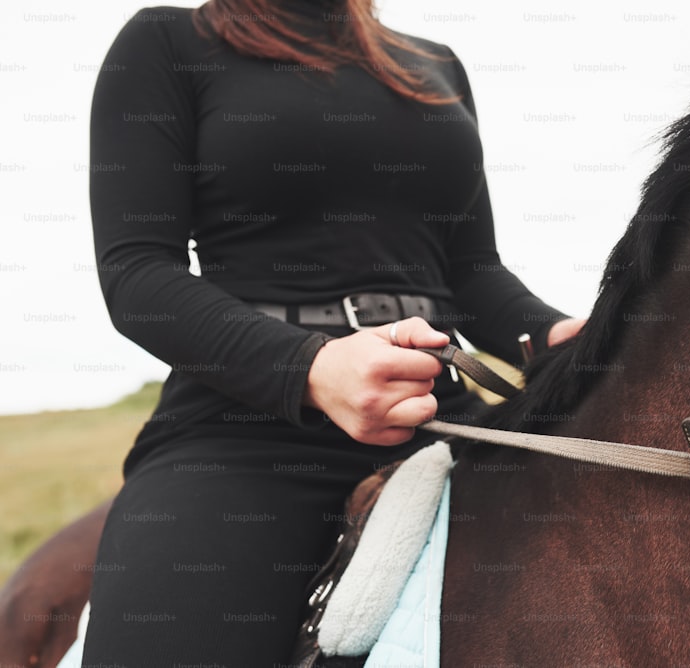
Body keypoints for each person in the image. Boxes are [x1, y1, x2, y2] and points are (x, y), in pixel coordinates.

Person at [81, 0, 584, 663]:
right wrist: (313, 369)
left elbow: (470, 272)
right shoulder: (168, 41)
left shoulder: (434, 64)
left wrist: (566, 338)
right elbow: (137, 271)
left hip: (441, 412)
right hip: (242, 433)